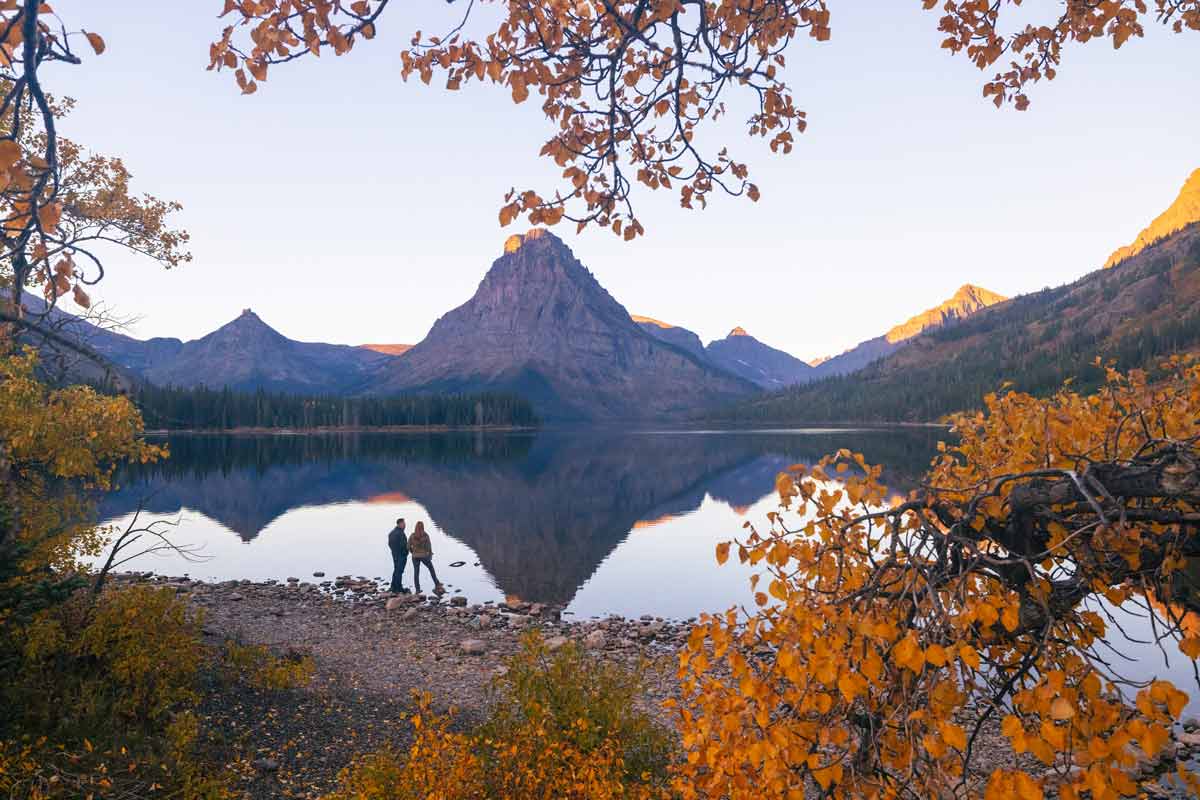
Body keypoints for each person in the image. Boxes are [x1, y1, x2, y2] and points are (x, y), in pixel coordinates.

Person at [408, 521, 443, 595]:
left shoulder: (412, 535)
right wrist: (429, 555)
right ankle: (437, 584)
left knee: (416, 573)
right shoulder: (425, 535)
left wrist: (413, 552)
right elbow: (429, 547)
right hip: (424, 556)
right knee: (431, 569)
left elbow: (408, 546)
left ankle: (417, 589)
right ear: (423, 527)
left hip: (415, 557)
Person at [387, 517, 410, 594]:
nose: (405, 525)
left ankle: (393, 586)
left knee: (396, 570)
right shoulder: (400, 533)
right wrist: (406, 552)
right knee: (399, 571)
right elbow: (403, 545)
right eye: (403, 523)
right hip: (401, 556)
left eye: (405, 524)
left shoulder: (392, 533)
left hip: (395, 554)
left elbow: (390, 544)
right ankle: (398, 588)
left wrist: (394, 551)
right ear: (399, 524)